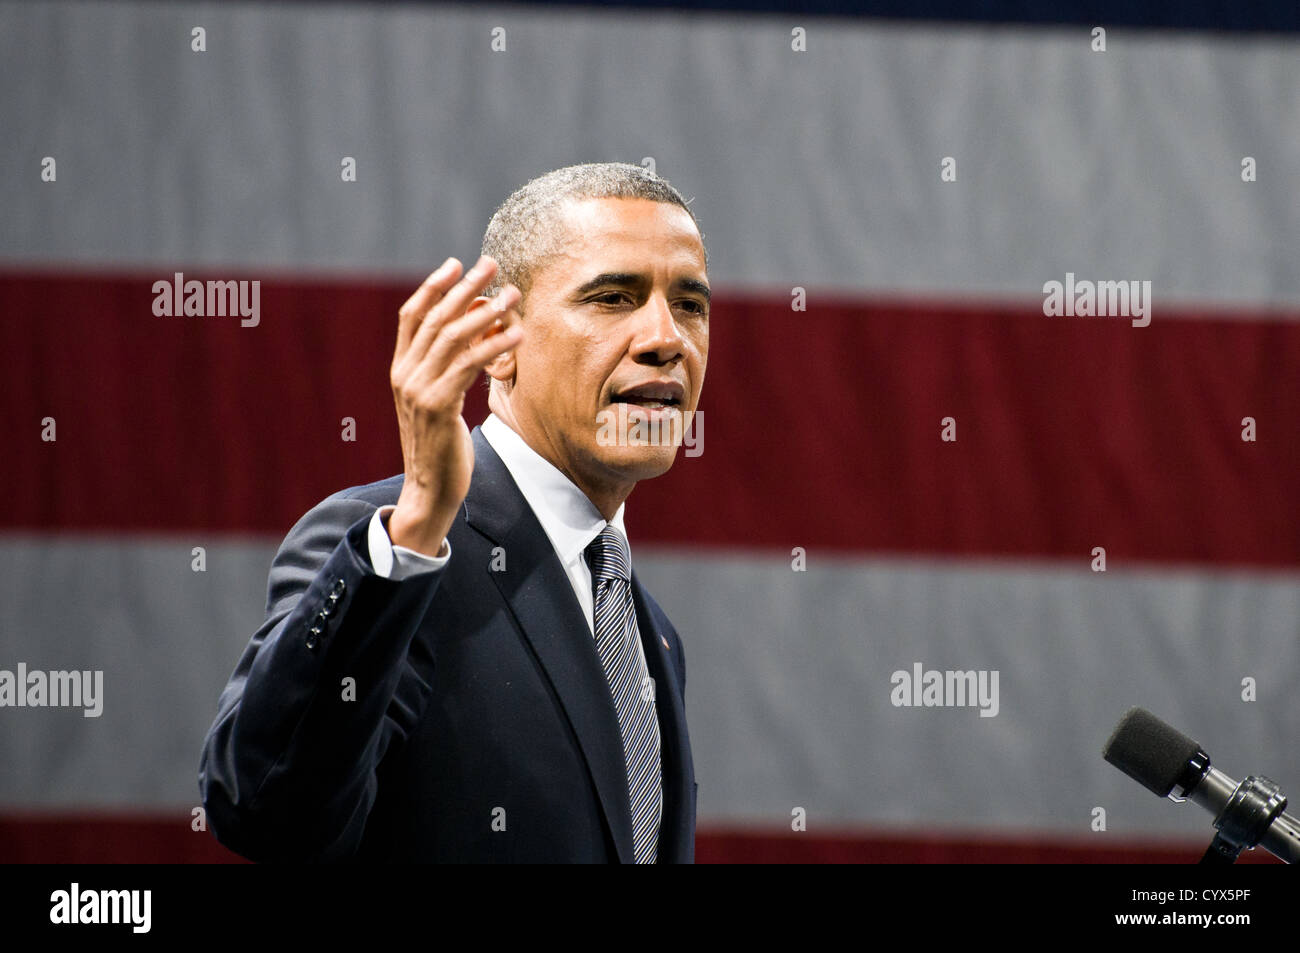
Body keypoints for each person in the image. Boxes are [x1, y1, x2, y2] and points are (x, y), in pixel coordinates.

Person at [199, 162, 708, 862]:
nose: (667, 338)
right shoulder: (389, 547)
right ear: (500, 340)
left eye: (690, 303)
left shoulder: (655, 634)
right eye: (614, 297)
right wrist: (412, 535)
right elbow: (265, 812)